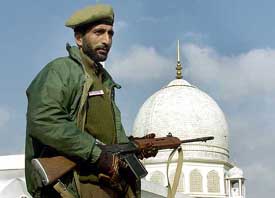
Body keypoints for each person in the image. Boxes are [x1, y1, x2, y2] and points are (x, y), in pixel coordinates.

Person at [25, 4, 153, 198]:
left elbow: (103, 138)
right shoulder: (61, 70)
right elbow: (44, 119)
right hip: (74, 187)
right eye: (99, 32)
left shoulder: (104, 80)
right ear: (79, 38)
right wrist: (97, 155)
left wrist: (131, 147)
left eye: (110, 34)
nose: (106, 40)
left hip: (108, 186)